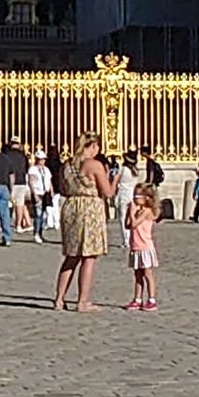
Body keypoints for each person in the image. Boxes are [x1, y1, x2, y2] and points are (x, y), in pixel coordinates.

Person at [53, 132, 114, 312]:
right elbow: (108, 192)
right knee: (89, 256)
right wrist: (113, 179)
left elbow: (63, 188)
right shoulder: (94, 165)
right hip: (89, 208)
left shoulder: (67, 165)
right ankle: (82, 301)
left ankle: (59, 299)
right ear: (93, 146)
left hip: (71, 206)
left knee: (71, 256)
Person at [124, 183, 161, 311]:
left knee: (147, 274)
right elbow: (128, 225)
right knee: (137, 275)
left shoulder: (146, 211)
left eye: (138, 196)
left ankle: (151, 299)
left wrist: (132, 212)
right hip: (136, 246)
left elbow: (134, 223)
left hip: (145, 247)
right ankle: (137, 298)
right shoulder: (137, 211)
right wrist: (128, 212)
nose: (135, 198)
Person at [6, 137, 32, 234]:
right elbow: (27, 169)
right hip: (21, 181)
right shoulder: (24, 156)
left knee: (6, 204)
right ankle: (18, 225)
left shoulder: (7, 155)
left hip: (10, 182)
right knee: (20, 204)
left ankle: (3, 224)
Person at [28, 149, 53, 244]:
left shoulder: (46, 169)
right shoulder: (33, 169)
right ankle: (36, 234)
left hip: (45, 193)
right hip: (37, 192)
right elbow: (31, 182)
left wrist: (51, 191)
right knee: (38, 214)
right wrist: (34, 194)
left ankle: (40, 233)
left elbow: (49, 181)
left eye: (43, 159)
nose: (42, 161)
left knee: (43, 215)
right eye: (41, 159)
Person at [115, 150, 139, 249]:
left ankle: (126, 240)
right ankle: (132, 238)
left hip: (123, 194)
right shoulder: (135, 171)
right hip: (132, 194)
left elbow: (116, 181)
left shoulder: (123, 169)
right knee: (132, 217)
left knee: (123, 218)